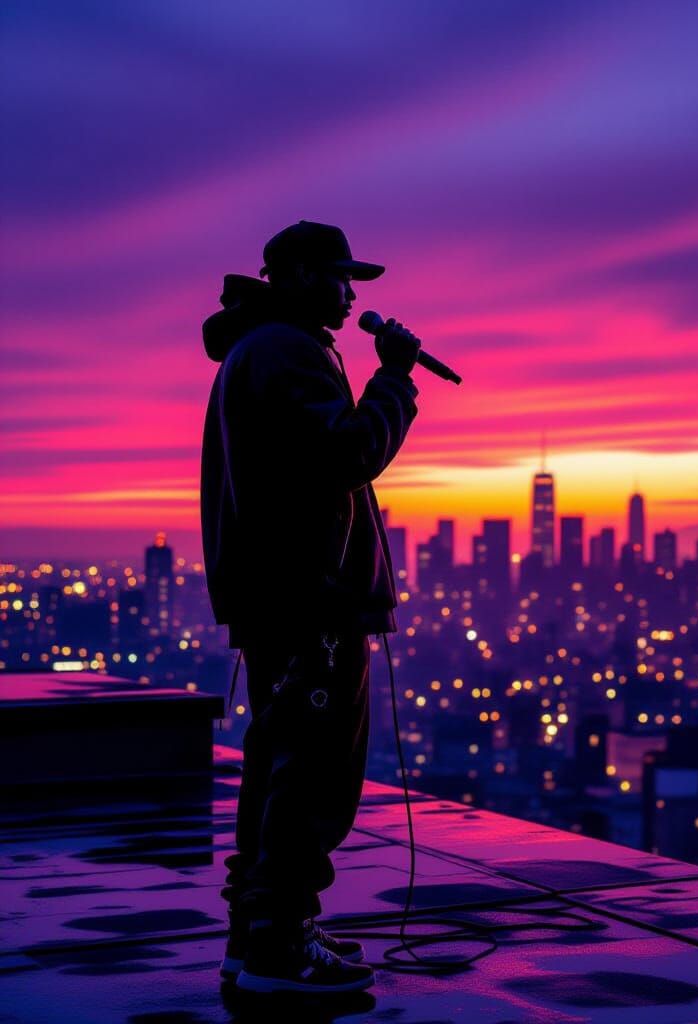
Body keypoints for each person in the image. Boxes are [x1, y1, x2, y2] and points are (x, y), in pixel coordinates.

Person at [199, 220, 421, 994]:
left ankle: (261, 931)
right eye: (339, 276)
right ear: (296, 275)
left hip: (284, 597)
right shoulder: (288, 350)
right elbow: (351, 453)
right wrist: (394, 379)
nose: (352, 294)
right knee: (314, 774)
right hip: (310, 600)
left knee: (278, 763)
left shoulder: (259, 348)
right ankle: (279, 948)